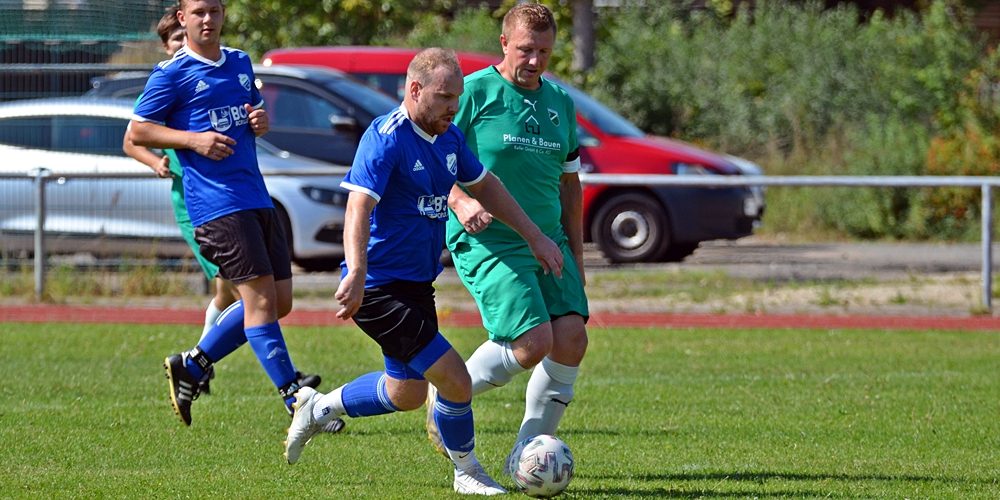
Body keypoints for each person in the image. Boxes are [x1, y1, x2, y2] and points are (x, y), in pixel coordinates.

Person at [283, 47, 564, 496]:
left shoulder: (448, 138)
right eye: (445, 96)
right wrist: (355, 271)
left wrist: (534, 235)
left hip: (416, 285)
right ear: (415, 90)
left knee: (406, 393)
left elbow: (487, 186)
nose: (455, 106)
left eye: (457, 97)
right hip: (377, 288)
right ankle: (467, 472)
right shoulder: (386, 136)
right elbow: (358, 205)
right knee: (454, 378)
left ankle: (318, 407)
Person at [129, 0, 337, 430]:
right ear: (183, 18)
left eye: (215, 11)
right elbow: (137, 131)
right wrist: (193, 140)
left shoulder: (240, 62)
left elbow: (251, 113)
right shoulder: (172, 73)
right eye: (199, 12)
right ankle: (295, 398)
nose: (208, 20)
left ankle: (193, 364)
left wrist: (259, 121)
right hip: (216, 204)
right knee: (258, 301)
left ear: (224, 15)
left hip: (257, 196)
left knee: (279, 302)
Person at [427, 2, 590, 464]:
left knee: (572, 339)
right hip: (489, 237)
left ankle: (529, 456)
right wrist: (459, 202)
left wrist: (575, 255)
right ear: (503, 43)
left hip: (548, 238)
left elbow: (569, 184)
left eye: (544, 51)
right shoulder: (473, 93)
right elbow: (434, 158)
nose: (534, 60)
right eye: (525, 50)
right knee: (532, 342)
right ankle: (448, 395)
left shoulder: (561, 103)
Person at [122, 5, 238, 395]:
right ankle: (288, 385)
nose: (178, 45)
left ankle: (198, 362)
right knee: (244, 291)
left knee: (231, 291)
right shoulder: (169, 78)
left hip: (224, 194)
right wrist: (157, 162)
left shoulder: (216, 69)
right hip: (192, 201)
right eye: (173, 40)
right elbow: (132, 137)